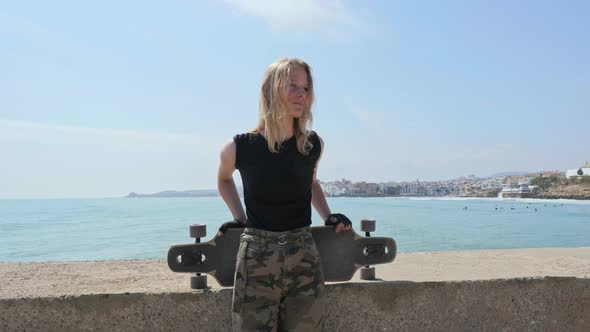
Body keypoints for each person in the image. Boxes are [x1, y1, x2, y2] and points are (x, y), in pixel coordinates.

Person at [216, 57, 352, 331]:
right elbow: (224, 179)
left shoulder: (312, 145)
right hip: (257, 255)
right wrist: (240, 217)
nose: (301, 94)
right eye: (291, 85)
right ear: (271, 90)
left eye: (305, 88)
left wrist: (328, 215)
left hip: (303, 251)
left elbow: (311, 184)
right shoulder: (239, 147)